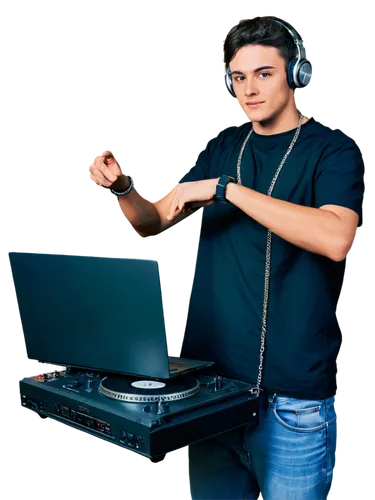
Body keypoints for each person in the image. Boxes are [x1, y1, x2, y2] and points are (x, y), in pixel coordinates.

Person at [87, 15, 365, 500]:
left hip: (293, 403)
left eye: (264, 73)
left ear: (296, 76)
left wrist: (227, 190)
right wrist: (124, 189)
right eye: (239, 77)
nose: (249, 90)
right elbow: (153, 222)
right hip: (210, 392)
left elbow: (336, 237)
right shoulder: (223, 145)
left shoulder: (334, 150)